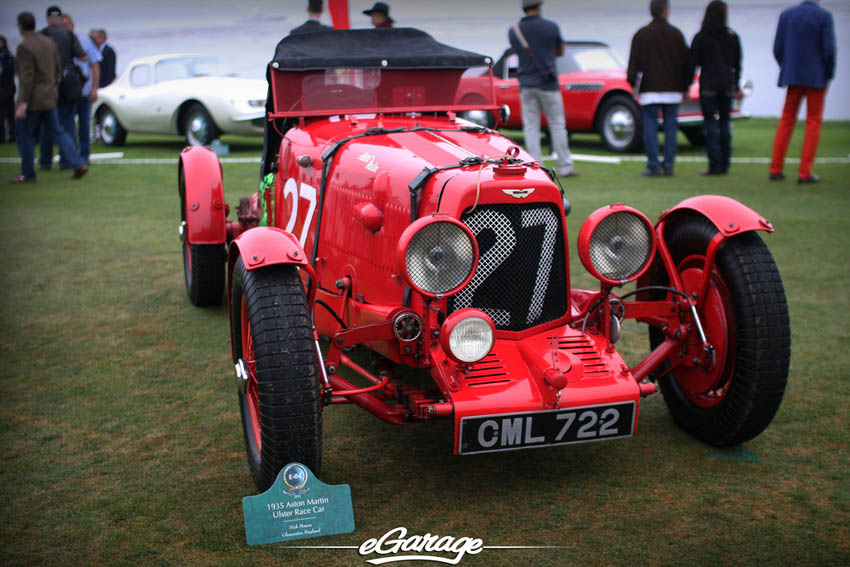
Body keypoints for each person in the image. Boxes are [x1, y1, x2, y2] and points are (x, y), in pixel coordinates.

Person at [260, 0, 333, 179]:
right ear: (322, 9)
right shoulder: (329, 34)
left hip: (302, 97)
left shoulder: (296, 34)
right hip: (327, 98)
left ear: (308, 8)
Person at [12, 11, 88, 183]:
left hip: (32, 100)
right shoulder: (48, 43)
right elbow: (57, 69)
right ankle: (77, 163)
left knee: (26, 135)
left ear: (21, 27)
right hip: (50, 96)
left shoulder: (24, 47)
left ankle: (28, 173)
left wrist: (22, 102)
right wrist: (53, 87)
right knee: (59, 131)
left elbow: (27, 77)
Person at [769, 0, 836, 184]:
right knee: (813, 122)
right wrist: (828, 74)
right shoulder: (824, 16)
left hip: (793, 75)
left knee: (787, 119)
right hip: (816, 77)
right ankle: (805, 172)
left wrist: (787, 67)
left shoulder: (787, 15)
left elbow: (777, 48)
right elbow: (829, 51)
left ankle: (775, 168)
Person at [508, 0, 577, 178]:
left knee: (531, 126)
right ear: (539, 6)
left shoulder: (514, 30)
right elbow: (560, 50)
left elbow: (518, 52)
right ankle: (565, 165)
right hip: (548, 82)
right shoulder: (551, 27)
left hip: (526, 83)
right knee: (557, 124)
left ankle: (535, 165)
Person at [627, 0, 690, 177]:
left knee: (650, 127)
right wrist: (685, 86)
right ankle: (668, 164)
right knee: (671, 127)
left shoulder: (641, 35)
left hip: (649, 90)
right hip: (673, 89)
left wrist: (633, 84)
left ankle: (653, 164)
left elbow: (634, 63)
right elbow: (686, 63)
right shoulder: (676, 34)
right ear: (666, 11)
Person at [689, 0, 741, 175]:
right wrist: (737, 84)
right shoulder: (732, 36)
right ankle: (725, 162)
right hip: (727, 83)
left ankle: (714, 164)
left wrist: (687, 84)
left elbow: (693, 63)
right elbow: (737, 63)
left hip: (709, 84)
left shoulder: (701, 37)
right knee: (725, 123)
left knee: (710, 124)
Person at [42, 13, 101, 169]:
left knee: (83, 125)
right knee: (65, 125)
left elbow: (93, 64)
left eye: (67, 24)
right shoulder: (58, 41)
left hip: (83, 90)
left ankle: (83, 156)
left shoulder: (82, 41)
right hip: (68, 90)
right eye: (62, 24)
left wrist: (95, 88)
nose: (65, 27)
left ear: (72, 25)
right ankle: (69, 158)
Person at [38, 5, 87, 171]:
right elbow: (83, 56)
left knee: (47, 124)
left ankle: (45, 161)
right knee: (67, 125)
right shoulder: (68, 34)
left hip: (48, 84)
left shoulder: (42, 35)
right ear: (60, 19)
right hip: (69, 83)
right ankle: (66, 162)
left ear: (47, 19)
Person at [0, 35, 16, 143]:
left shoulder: (6, 56)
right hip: (9, 87)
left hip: (5, 88)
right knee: (9, 113)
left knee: (5, 113)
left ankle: (6, 135)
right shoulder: (9, 56)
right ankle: (11, 135)